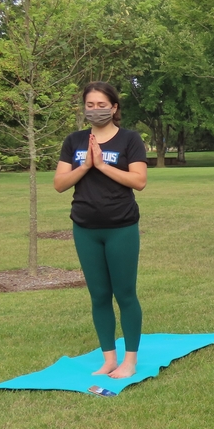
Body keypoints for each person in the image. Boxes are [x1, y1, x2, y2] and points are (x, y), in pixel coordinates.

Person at [54, 82, 148, 378]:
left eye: (102, 104)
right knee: (98, 294)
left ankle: (129, 361)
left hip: (121, 226)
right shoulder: (74, 140)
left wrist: (102, 166)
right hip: (85, 227)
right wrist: (84, 166)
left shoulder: (130, 140)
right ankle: (108, 359)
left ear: (115, 107)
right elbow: (59, 184)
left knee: (125, 293)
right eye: (90, 105)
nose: (96, 109)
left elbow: (139, 181)